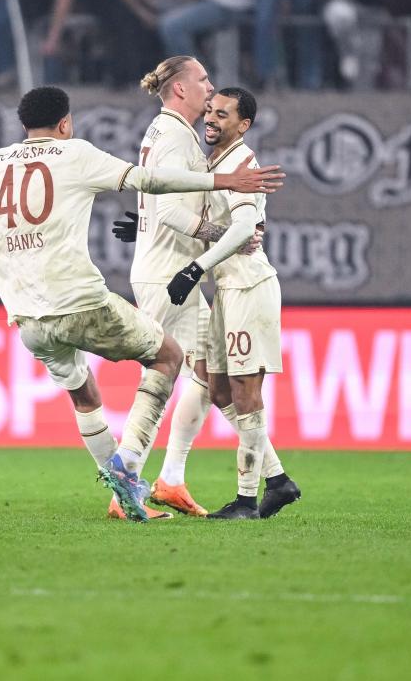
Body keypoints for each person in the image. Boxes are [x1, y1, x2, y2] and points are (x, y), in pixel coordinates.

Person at [0, 85, 285, 522]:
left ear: (25, 125)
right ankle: (126, 468)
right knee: (169, 356)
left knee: (84, 396)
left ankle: (126, 498)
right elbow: (147, 179)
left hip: (26, 319)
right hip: (79, 302)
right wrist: (222, 180)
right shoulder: (74, 153)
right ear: (65, 122)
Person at [110, 54, 242, 520]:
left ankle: (171, 480)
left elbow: (157, 197)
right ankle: (124, 488)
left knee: (206, 371)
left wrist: (143, 225)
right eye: (203, 79)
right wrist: (221, 235)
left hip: (169, 268)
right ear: (181, 89)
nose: (211, 87)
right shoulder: (171, 135)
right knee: (161, 374)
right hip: (168, 276)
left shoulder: (169, 132)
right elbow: (167, 208)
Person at [165, 87, 301, 519]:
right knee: (216, 384)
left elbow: (245, 227)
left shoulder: (243, 164)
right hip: (227, 289)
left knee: (246, 392)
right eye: (209, 110)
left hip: (249, 288)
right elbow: (213, 222)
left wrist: (193, 269)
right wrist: (150, 227)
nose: (210, 119)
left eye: (222, 114)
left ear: (243, 125)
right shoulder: (216, 163)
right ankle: (277, 480)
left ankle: (246, 500)